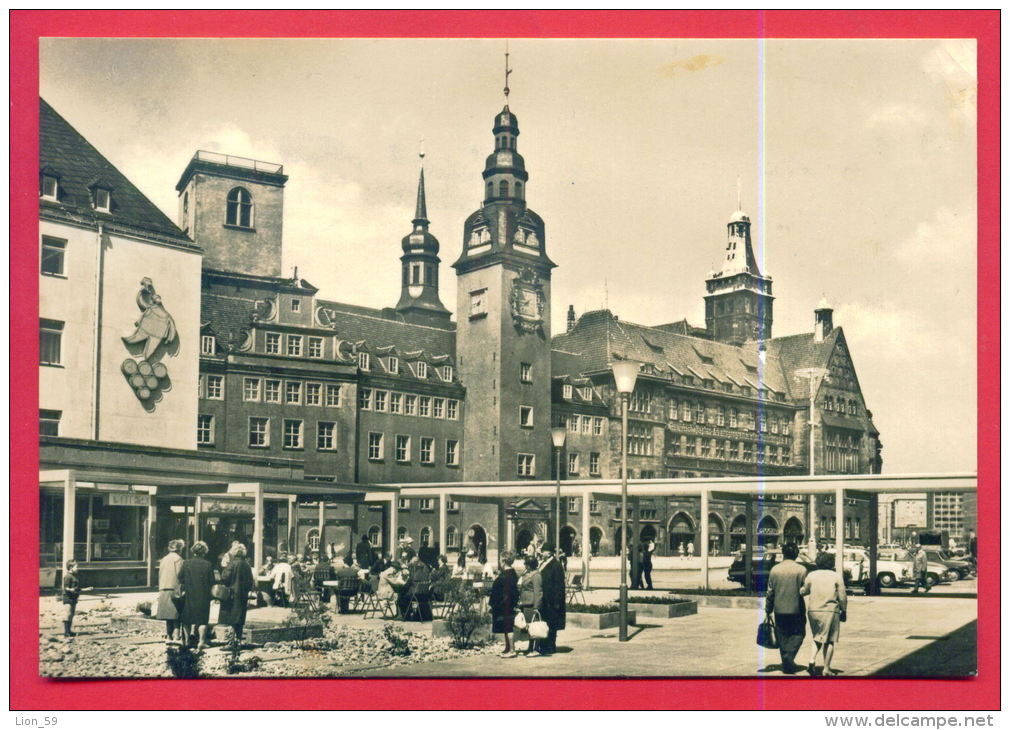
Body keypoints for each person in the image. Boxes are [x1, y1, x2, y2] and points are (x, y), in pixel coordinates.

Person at [800, 551, 847, 676]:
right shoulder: (836, 576)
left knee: (817, 637)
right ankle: (826, 669)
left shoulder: (811, 575)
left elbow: (804, 591)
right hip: (830, 610)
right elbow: (842, 597)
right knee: (829, 640)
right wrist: (844, 610)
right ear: (831, 563)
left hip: (813, 611)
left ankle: (811, 660)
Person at [764, 542, 808, 674]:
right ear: (796, 554)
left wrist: (768, 609)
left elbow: (770, 592)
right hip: (796, 608)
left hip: (779, 609)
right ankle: (789, 657)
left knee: (782, 634)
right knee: (799, 633)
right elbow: (804, 590)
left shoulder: (775, 569)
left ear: (783, 554)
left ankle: (786, 662)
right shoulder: (801, 570)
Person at [179, 541, 214, 650]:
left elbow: (180, 577)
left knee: (187, 618)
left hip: (190, 594)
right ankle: (201, 642)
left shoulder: (186, 563)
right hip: (203, 594)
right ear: (204, 552)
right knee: (203, 619)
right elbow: (211, 580)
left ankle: (187, 641)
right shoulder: (207, 564)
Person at [218, 543, 255, 645]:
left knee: (231, 615)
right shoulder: (246, 565)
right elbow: (250, 581)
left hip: (231, 593)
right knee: (240, 616)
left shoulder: (232, 563)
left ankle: (232, 638)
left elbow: (225, 577)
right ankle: (238, 638)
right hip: (242, 594)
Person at [154, 539, 186, 645]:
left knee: (168, 615)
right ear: (179, 548)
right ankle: (177, 636)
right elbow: (180, 575)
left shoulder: (164, 559)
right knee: (176, 614)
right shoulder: (179, 559)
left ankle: (168, 636)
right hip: (174, 588)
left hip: (163, 587)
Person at [537, 544, 566, 656]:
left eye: (543, 551)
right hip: (544, 600)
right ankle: (543, 645)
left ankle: (550, 646)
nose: (541, 553)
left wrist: (557, 602)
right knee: (545, 623)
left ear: (548, 553)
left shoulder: (556, 565)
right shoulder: (543, 563)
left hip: (552, 601)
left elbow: (559, 585)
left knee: (552, 625)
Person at [489, 551, 519, 658]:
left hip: (505, 605)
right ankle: (507, 648)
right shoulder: (510, 573)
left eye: (500, 560)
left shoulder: (508, 575)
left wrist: (500, 604)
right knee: (506, 627)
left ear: (504, 561)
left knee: (508, 627)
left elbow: (507, 592)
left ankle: (512, 650)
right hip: (505, 604)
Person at [516, 556, 543, 656]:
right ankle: (530, 647)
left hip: (532, 604)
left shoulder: (536, 575)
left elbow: (538, 592)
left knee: (533, 627)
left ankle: (535, 648)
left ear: (530, 565)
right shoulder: (527, 574)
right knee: (528, 626)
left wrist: (537, 607)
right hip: (525, 603)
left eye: (526, 564)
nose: (525, 566)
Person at [400, 556, 433, 621]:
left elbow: (408, 584)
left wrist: (402, 589)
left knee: (402, 597)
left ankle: (407, 616)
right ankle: (418, 615)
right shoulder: (426, 571)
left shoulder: (414, 572)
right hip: (425, 595)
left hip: (415, 594)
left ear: (414, 563)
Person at [61, 559, 86, 637]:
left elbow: (76, 588)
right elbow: (65, 588)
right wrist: (70, 589)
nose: (77, 568)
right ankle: (66, 632)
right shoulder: (68, 576)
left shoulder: (75, 576)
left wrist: (86, 589)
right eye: (76, 567)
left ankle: (69, 631)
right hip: (68, 597)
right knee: (68, 614)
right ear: (71, 568)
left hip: (74, 597)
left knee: (71, 615)